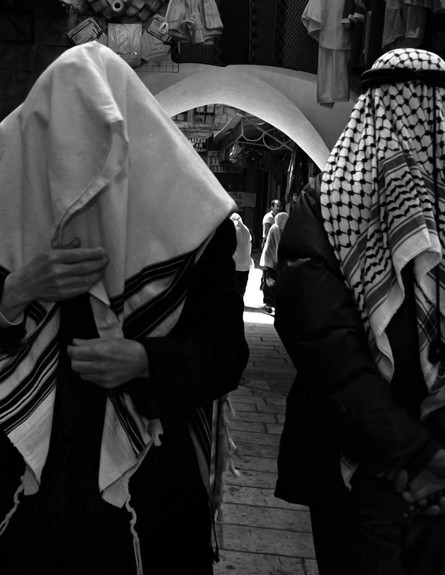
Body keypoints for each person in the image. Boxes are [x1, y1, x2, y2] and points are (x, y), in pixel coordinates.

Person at [0, 42, 249, 575]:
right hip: (21, 493)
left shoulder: (195, 222)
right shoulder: (7, 201)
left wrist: (145, 361)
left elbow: (225, 354)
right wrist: (13, 293)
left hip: (147, 491)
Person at [274, 48, 445, 575]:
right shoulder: (327, 207)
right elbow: (327, 350)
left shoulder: (323, 206)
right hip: (359, 475)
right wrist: (419, 456)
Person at [260, 212, 288, 314]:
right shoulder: (282, 230)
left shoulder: (275, 229)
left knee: (269, 284)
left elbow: (270, 247)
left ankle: (269, 305)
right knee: (274, 284)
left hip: (270, 261)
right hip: (277, 262)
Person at [230, 212, 253, 299]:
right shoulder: (246, 229)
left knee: (233, 286)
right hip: (246, 263)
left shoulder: (233, 229)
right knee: (241, 286)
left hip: (235, 264)